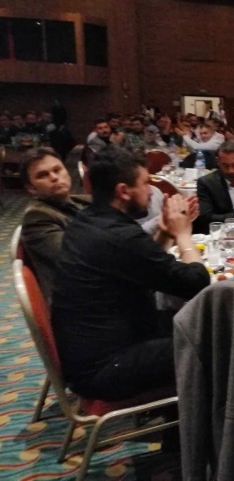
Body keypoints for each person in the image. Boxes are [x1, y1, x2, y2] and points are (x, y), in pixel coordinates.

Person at [52, 147, 210, 401]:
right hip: (106, 368)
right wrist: (183, 235)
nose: (151, 192)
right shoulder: (118, 236)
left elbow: (147, 270)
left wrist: (166, 232)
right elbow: (196, 282)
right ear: (123, 191)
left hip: (94, 351)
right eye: (146, 183)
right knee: (222, 340)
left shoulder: (88, 220)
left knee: (188, 319)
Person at [19, 148, 92, 301]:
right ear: (31, 188)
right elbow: (77, 256)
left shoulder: (82, 201)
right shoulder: (37, 218)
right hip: (79, 300)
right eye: (42, 175)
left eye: (57, 170)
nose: (54, 177)